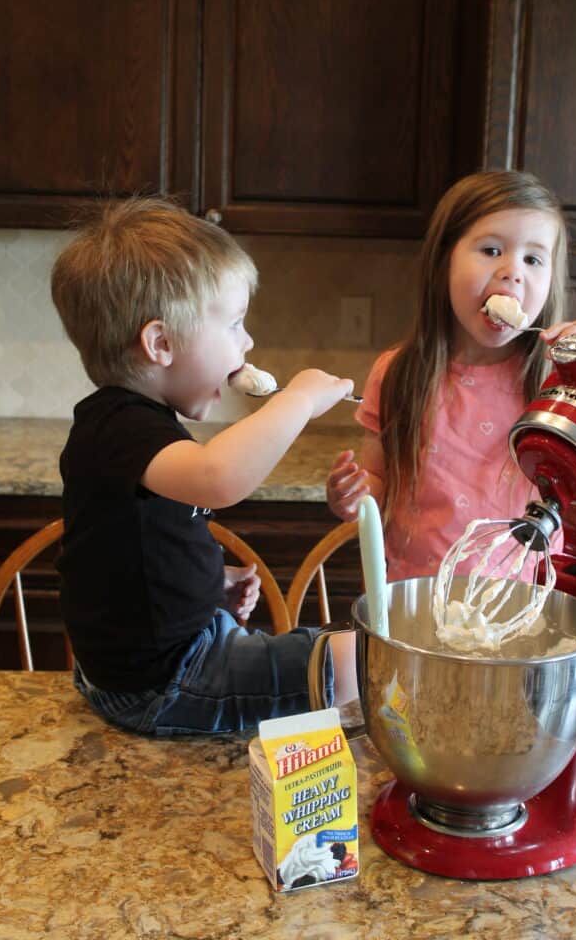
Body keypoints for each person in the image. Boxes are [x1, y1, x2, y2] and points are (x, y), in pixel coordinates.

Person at [50, 196, 357, 735]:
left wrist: (207, 582)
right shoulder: (119, 428)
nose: (248, 341)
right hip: (161, 684)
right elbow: (219, 480)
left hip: (156, 662)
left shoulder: (131, 425)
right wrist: (300, 401)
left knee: (343, 658)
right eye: (235, 323)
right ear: (161, 343)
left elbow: (132, 554)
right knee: (355, 661)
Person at [326, 169, 576, 582]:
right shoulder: (398, 373)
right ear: (444, 260)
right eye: (492, 250)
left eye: (533, 259)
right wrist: (354, 495)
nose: (513, 271)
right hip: (416, 596)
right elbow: (379, 481)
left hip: (523, 603)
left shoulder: (562, 380)